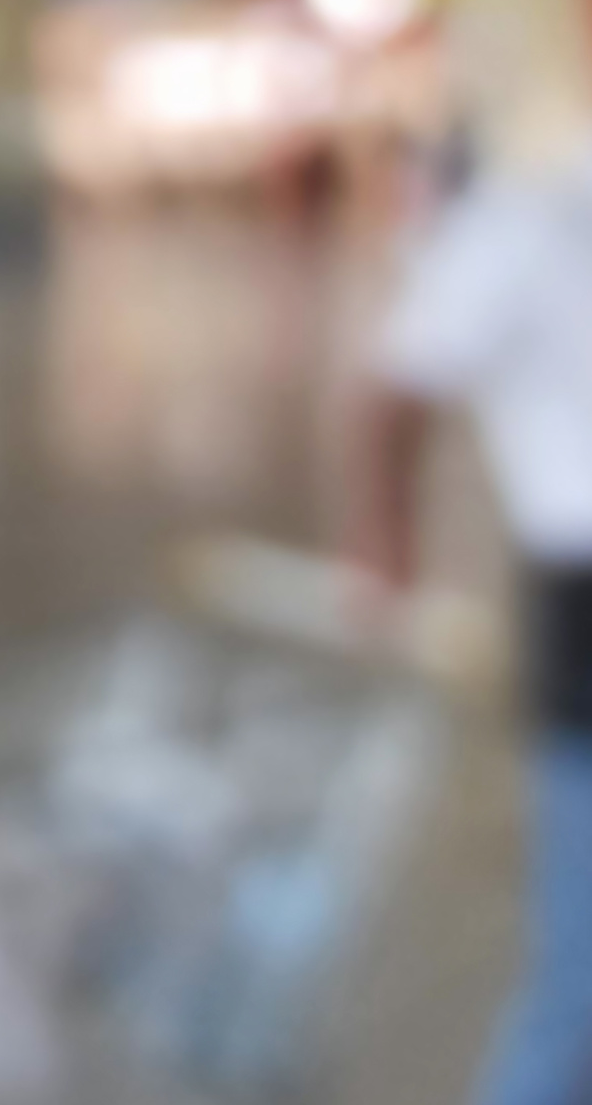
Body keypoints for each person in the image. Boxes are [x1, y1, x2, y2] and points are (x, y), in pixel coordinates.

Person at [360, 150, 592, 1105]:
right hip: (581, 619)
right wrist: (389, 541)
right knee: (576, 996)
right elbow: (394, 391)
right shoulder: (532, 222)